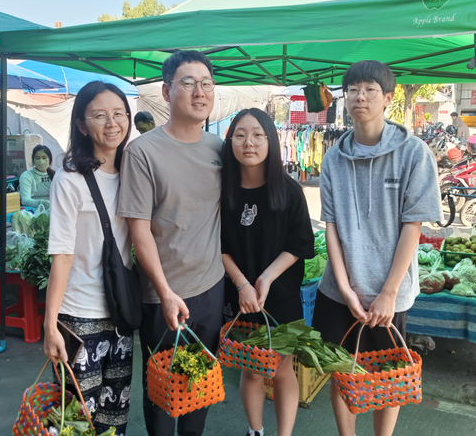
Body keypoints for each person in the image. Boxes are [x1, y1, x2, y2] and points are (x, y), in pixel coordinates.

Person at [313, 60, 441, 436]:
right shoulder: (334, 158)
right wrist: (346, 289)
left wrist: (387, 293)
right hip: (339, 293)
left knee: (389, 375)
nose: (360, 97)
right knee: (342, 370)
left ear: (388, 98)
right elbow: (332, 228)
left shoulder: (414, 153)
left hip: (391, 296)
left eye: (369, 90)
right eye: (352, 90)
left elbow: (412, 227)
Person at [118, 50, 224, 436]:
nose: (200, 92)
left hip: (211, 289)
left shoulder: (218, 148)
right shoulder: (143, 152)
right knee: (162, 389)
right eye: (189, 83)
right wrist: (164, 292)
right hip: (161, 296)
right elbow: (138, 229)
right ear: (166, 91)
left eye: (207, 84)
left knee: (200, 385)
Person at [43, 81, 135, 435]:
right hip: (79, 318)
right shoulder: (70, 179)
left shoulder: (132, 170)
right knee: (77, 421)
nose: (112, 123)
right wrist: (51, 325)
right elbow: (62, 255)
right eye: (99, 116)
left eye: (118, 114)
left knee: (115, 417)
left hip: (120, 315)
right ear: (82, 125)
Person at [220, 108, 314, 436]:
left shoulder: (288, 191)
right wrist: (243, 283)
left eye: (258, 135)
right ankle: (255, 430)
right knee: (252, 370)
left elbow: (301, 243)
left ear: (271, 141)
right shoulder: (222, 192)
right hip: (240, 297)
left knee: (283, 369)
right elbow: (218, 247)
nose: (249, 143)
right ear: (230, 140)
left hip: (282, 296)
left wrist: (267, 277)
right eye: (240, 135)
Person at [19, 145, 55, 210]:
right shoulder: (27, 176)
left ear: (50, 159)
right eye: (37, 158)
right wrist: (41, 203)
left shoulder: (55, 175)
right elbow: (25, 200)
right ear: (33, 160)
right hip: (32, 212)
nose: (41, 161)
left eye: (44, 158)